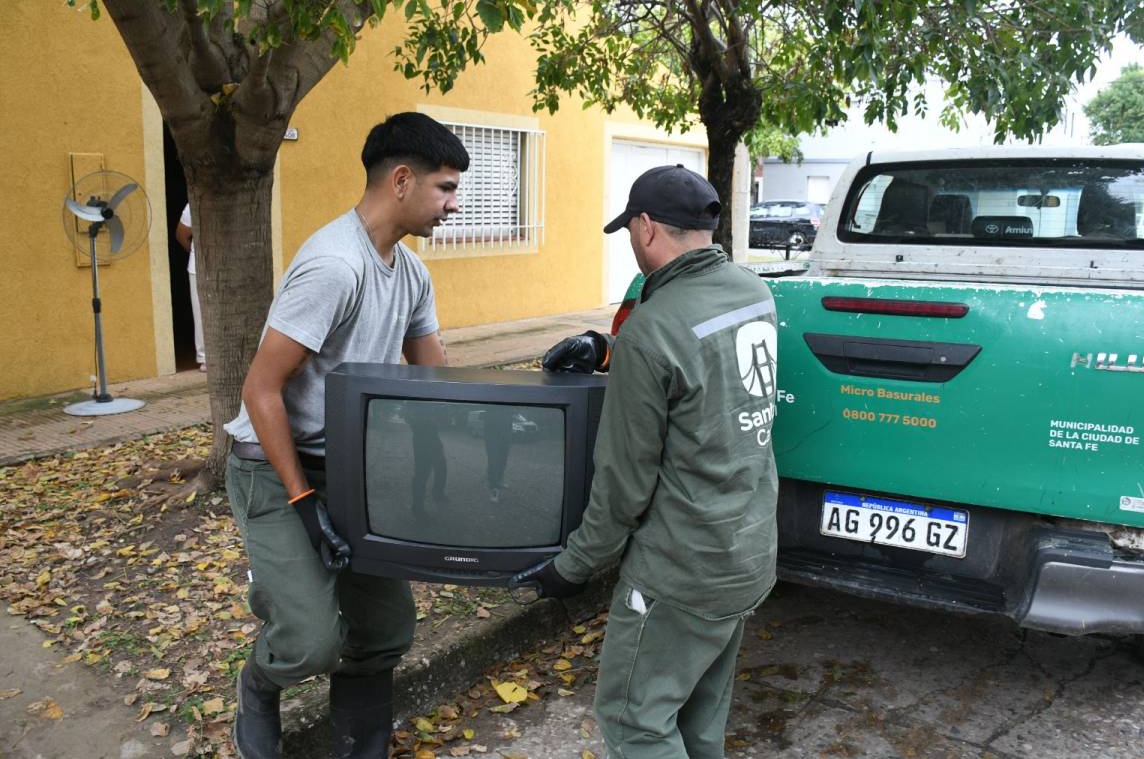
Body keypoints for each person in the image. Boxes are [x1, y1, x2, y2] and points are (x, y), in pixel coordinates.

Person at [222, 112, 468, 759]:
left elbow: (433, 375)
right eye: (445, 187)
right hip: (273, 469)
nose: (454, 203)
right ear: (402, 180)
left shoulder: (411, 274)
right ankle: (259, 682)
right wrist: (303, 503)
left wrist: (469, 439)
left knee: (385, 628)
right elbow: (260, 389)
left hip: (351, 471)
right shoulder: (335, 264)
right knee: (310, 640)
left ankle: (358, 744)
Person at [515, 165, 780, 758]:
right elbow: (709, 384)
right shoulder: (753, 292)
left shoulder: (653, 330)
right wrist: (610, 351)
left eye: (630, 233)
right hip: (747, 552)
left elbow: (623, 486)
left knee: (635, 721)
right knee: (699, 719)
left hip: (679, 572)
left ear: (646, 227)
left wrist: (572, 568)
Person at [174, 203, 205, 371]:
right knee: (200, 311)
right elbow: (181, 235)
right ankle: (204, 357)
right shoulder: (192, 205)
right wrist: (195, 253)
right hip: (198, 266)